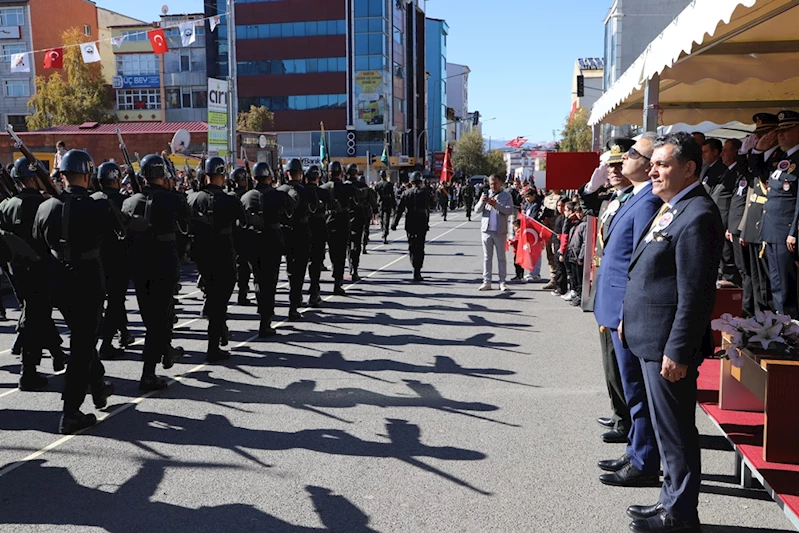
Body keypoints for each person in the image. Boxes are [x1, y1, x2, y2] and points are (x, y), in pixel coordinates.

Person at [622, 132, 723, 533]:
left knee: (677, 431)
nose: (653, 170)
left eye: (662, 164)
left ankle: (680, 514)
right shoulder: (672, 208)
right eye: (654, 163)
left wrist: (678, 350)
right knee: (667, 430)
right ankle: (669, 499)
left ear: (689, 169)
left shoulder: (697, 214)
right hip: (650, 337)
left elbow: (695, 292)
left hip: (668, 345)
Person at [589, 134, 663, 488]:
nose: (623, 160)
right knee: (630, 387)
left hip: (623, 310)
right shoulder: (634, 196)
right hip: (613, 305)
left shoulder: (647, 200)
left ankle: (645, 460)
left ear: (647, 166)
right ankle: (635, 450)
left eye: (632, 154)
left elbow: (638, 266)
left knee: (636, 389)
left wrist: (625, 314)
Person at [33, 150, 122, 434]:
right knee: (83, 347)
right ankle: (70, 412)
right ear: (87, 175)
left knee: (83, 340)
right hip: (88, 281)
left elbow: (37, 241)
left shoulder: (47, 207)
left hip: (58, 281)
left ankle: (98, 387)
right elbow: (119, 234)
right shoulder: (98, 205)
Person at [122, 154, 189, 389]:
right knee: (159, 320)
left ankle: (166, 351)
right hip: (165, 265)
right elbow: (184, 224)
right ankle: (148, 373)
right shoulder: (174, 200)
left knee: (152, 317)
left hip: (140, 266)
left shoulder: (129, 202)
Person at [0, 157, 65, 389]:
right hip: (41, 267)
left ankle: (54, 355)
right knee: (35, 316)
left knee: (35, 314)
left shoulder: (6, 205)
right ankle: (28, 371)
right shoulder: (44, 204)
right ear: (32, 178)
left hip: (16, 270)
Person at [188, 158, 247, 359]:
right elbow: (244, 222)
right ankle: (213, 346)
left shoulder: (194, 199)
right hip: (224, 253)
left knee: (214, 297)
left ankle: (220, 331)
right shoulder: (230, 199)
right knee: (219, 301)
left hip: (203, 255)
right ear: (222, 177)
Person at [240, 162, 292, 336]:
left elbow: (241, 221)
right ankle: (265, 319)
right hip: (273, 241)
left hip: (252, 241)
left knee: (258, 278)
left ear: (254, 178)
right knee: (270, 282)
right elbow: (289, 212)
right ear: (269, 177)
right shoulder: (278, 195)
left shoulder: (246, 197)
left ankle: (262, 309)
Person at [92, 162, 134, 360]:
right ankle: (107, 342)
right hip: (118, 257)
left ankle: (123, 333)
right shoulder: (123, 201)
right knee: (116, 300)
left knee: (103, 301)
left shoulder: (91, 200)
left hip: (94, 258)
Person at [760, 110, 799, 318]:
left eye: (787, 130)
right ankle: (781, 324)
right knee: (776, 284)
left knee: (786, 286)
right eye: (779, 131)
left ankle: (791, 329)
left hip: (786, 232)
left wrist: (793, 231)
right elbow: (755, 170)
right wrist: (760, 149)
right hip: (772, 229)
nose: (781, 135)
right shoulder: (782, 158)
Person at [740, 113, 780, 314]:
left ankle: (770, 322)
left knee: (769, 281)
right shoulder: (760, 155)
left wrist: (757, 151)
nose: (759, 139)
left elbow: (760, 174)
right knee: (756, 278)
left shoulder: (779, 156)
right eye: (758, 135)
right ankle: (757, 318)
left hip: (769, 222)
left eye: (764, 134)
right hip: (755, 222)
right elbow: (745, 178)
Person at [278, 159, 311, 320]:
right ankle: (294, 303)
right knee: (299, 270)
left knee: (290, 268)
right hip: (301, 232)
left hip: (283, 232)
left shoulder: (279, 190)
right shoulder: (306, 190)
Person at [391, 171, 433, 282]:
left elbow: (399, 210)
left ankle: (414, 265)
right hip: (422, 221)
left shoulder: (406, 193)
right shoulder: (425, 192)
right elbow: (432, 205)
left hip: (410, 221)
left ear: (411, 181)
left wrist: (394, 223)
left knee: (412, 246)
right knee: (420, 246)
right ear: (421, 181)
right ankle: (417, 269)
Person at [321, 161, 356, 295]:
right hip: (343, 221)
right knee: (341, 253)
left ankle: (335, 274)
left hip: (329, 221)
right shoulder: (347, 187)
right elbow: (357, 198)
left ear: (329, 173)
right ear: (341, 173)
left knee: (331, 250)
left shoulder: (323, 188)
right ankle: (338, 281)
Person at [475, 174, 513, 292]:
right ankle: (487, 282)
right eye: (491, 184)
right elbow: (476, 210)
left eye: (495, 183)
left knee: (501, 257)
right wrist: (482, 202)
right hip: (486, 231)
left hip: (499, 231)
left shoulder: (506, 195)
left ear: (500, 183)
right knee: (487, 258)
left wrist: (496, 205)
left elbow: (509, 210)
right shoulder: (486, 194)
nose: (493, 186)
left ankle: (502, 282)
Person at [305, 165, 331, 307]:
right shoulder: (323, 192)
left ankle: (296, 297)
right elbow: (331, 205)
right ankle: (314, 292)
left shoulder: (302, 191)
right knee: (316, 263)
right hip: (319, 230)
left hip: (303, 229)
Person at [230, 167, 252, 306]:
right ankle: (242, 293)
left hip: (231, 235)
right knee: (243, 266)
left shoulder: (230, 195)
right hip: (243, 234)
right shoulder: (248, 195)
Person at [345, 164, 367, 281]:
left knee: (348, 244)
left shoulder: (343, 186)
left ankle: (350, 266)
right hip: (358, 217)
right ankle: (354, 268)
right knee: (356, 244)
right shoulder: (362, 186)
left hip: (344, 218)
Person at [374, 169, 395, 244]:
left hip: (380, 203)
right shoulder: (389, 184)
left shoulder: (377, 185)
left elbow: (374, 195)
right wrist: (394, 206)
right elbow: (392, 196)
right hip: (387, 203)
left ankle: (383, 232)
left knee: (382, 220)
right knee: (386, 220)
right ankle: (385, 234)